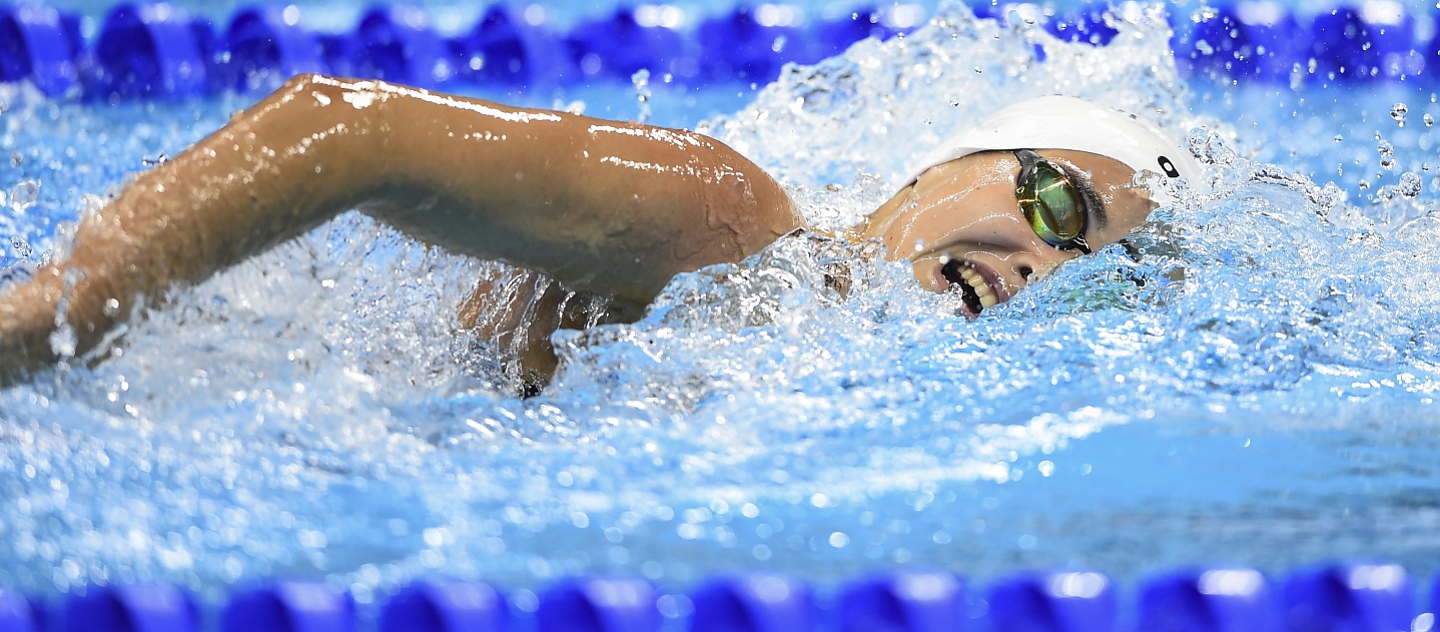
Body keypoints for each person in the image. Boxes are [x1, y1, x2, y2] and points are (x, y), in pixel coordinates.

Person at [0, 74, 1201, 388]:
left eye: (1087, 267)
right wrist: (48, 317)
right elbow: (345, 129)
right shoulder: (730, 218)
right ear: (946, 165)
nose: (1043, 261)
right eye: (1053, 203)